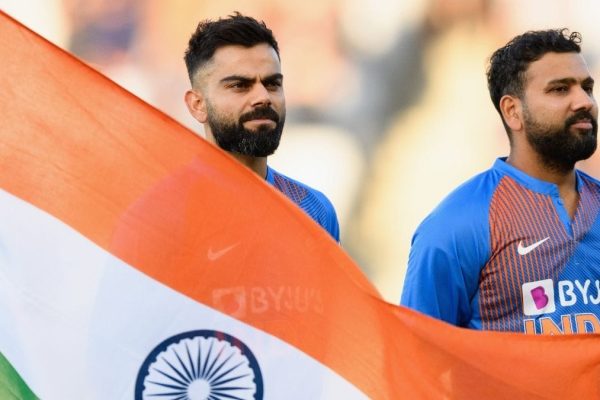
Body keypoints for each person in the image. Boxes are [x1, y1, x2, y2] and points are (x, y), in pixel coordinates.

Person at [401, 28, 599, 334]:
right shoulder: (458, 225)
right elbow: (415, 350)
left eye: (587, 88)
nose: (584, 101)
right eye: (560, 89)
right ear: (512, 111)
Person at [183, 13, 340, 242]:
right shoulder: (162, 211)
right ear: (198, 105)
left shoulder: (314, 210)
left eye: (272, 83)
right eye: (240, 85)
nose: (263, 97)